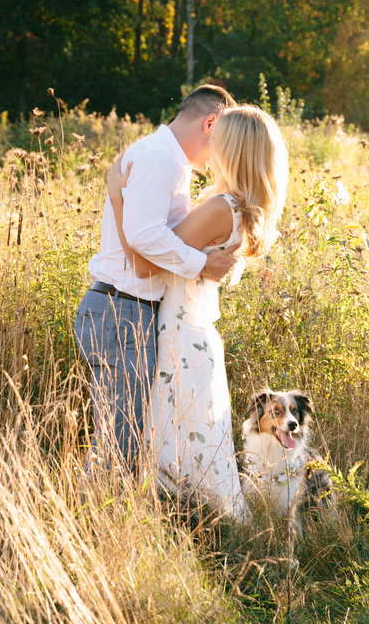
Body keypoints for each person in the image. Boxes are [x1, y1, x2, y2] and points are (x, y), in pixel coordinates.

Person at [108, 105, 288, 518]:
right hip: (194, 335)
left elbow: (142, 263)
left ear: (231, 149)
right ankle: (202, 525)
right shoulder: (237, 208)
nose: (209, 143)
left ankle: (188, 524)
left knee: (177, 438)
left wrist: (119, 200)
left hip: (182, 338)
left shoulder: (219, 208)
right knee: (194, 439)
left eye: (218, 138)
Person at [74, 85, 238, 471]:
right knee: (118, 444)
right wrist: (201, 264)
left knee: (123, 439)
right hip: (122, 311)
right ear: (210, 123)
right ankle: (92, 522)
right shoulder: (159, 159)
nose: (221, 154)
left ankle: (98, 519)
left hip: (128, 310)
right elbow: (146, 238)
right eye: (223, 140)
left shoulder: (169, 162)